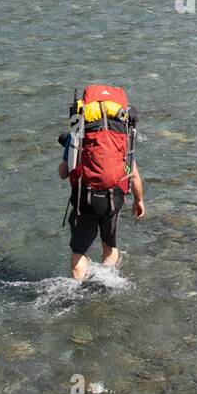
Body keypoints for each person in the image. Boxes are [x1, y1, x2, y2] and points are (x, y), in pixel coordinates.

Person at [58, 85, 145, 280]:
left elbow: (63, 173)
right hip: (113, 197)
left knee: (79, 251)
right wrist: (139, 201)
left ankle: (76, 292)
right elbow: (134, 174)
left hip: (84, 197)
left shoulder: (79, 132)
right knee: (109, 246)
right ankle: (107, 283)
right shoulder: (123, 135)